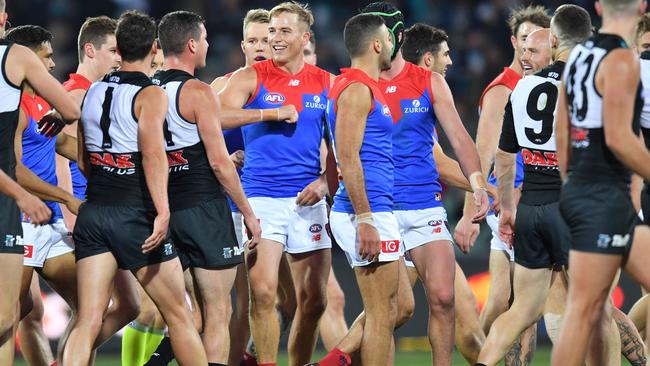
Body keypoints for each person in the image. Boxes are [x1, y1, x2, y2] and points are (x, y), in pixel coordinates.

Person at [61, 11, 207, 366]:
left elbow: (82, 157)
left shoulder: (92, 91)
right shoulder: (151, 94)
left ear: (119, 49)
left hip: (95, 212)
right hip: (135, 214)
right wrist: (163, 211)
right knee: (179, 316)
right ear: (154, 47)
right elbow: (154, 156)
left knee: (88, 318)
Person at [473, 7, 591, 365]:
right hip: (572, 207)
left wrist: (508, 210)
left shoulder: (522, 87)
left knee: (521, 309)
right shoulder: (588, 82)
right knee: (592, 309)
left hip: (531, 211)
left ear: (553, 41)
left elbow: (504, 157)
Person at [218, 3, 332, 365]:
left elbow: (343, 146)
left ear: (305, 37)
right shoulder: (252, 77)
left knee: (314, 301)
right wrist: (269, 113)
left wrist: (325, 183)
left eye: (284, 32)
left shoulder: (326, 83)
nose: (275, 39)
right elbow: (216, 114)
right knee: (263, 292)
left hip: (307, 201)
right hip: (260, 199)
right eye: (272, 33)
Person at [153, 11, 262, 366]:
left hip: (162, 209)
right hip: (203, 209)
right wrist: (248, 213)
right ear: (191, 45)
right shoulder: (198, 92)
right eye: (204, 39)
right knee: (217, 311)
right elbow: (219, 163)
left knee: (185, 315)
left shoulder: (147, 90)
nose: (208, 45)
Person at [551, 0, 650, 364]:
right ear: (642, 6)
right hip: (601, 197)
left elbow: (561, 129)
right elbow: (620, 139)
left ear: (598, 5)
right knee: (584, 310)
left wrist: (571, 184)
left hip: (594, 193)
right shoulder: (623, 60)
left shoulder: (578, 56)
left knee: (588, 311)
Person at [454, 6, 550, 364]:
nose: (528, 50)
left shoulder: (541, 85)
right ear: (513, 41)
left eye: (536, 43)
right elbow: (479, 154)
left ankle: (478, 353)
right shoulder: (502, 90)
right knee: (530, 302)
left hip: (529, 202)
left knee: (503, 300)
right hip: (510, 202)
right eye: (523, 40)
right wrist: (469, 215)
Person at [401, 22, 487, 364]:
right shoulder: (412, 98)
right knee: (391, 312)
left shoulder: (424, 102)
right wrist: (486, 188)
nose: (450, 61)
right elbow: (441, 165)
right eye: (445, 54)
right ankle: (337, 357)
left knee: (462, 319)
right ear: (427, 60)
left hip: (424, 219)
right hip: (408, 216)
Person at [0, 2, 81, 364]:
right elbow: (14, 167)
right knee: (13, 313)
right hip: (21, 213)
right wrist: (66, 197)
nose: (51, 65)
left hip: (45, 219)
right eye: (45, 58)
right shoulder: (15, 105)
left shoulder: (35, 104)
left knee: (91, 305)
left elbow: (64, 143)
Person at [325, 12, 397, 366]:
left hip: (375, 207)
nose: (392, 44)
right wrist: (365, 217)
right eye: (389, 38)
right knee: (381, 312)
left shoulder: (362, 87)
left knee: (399, 306)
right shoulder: (356, 90)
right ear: (376, 44)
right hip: (365, 210)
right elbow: (348, 159)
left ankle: (331, 362)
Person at [121, 41, 167, 366]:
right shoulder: (141, 99)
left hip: (161, 205)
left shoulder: (158, 96)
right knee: (152, 307)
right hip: (143, 207)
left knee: (161, 312)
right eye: (156, 64)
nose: (158, 70)